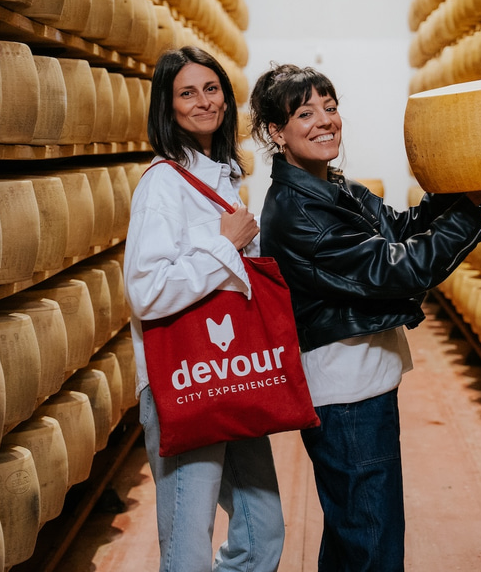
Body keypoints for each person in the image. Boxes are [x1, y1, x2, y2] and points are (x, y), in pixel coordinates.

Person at [249, 63, 481, 572]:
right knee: (371, 544)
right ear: (277, 132)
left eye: (330, 108)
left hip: (357, 387)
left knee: (353, 536)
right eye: (305, 112)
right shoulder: (300, 212)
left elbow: (399, 229)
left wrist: (460, 186)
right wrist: (469, 212)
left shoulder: (331, 187)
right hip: (346, 396)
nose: (325, 121)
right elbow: (397, 270)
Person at [123, 46, 283, 572]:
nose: (203, 102)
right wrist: (224, 245)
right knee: (187, 551)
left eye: (211, 89)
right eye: (186, 93)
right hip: (183, 383)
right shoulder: (163, 184)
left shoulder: (220, 175)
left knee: (263, 533)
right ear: (168, 108)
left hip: (231, 375)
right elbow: (146, 290)